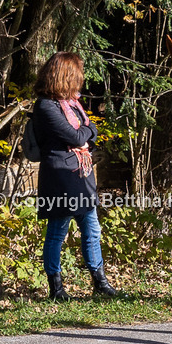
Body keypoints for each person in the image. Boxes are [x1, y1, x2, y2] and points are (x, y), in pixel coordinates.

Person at [32, 52, 117, 301]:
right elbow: (79, 137)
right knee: (57, 232)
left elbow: (86, 131)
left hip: (82, 174)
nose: (80, 81)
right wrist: (89, 130)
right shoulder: (46, 106)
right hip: (60, 177)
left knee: (92, 230)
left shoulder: (72, 104)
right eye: (77, 76)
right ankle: (56, 289)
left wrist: (88, 129)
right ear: (65, 76)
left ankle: (100, 282)